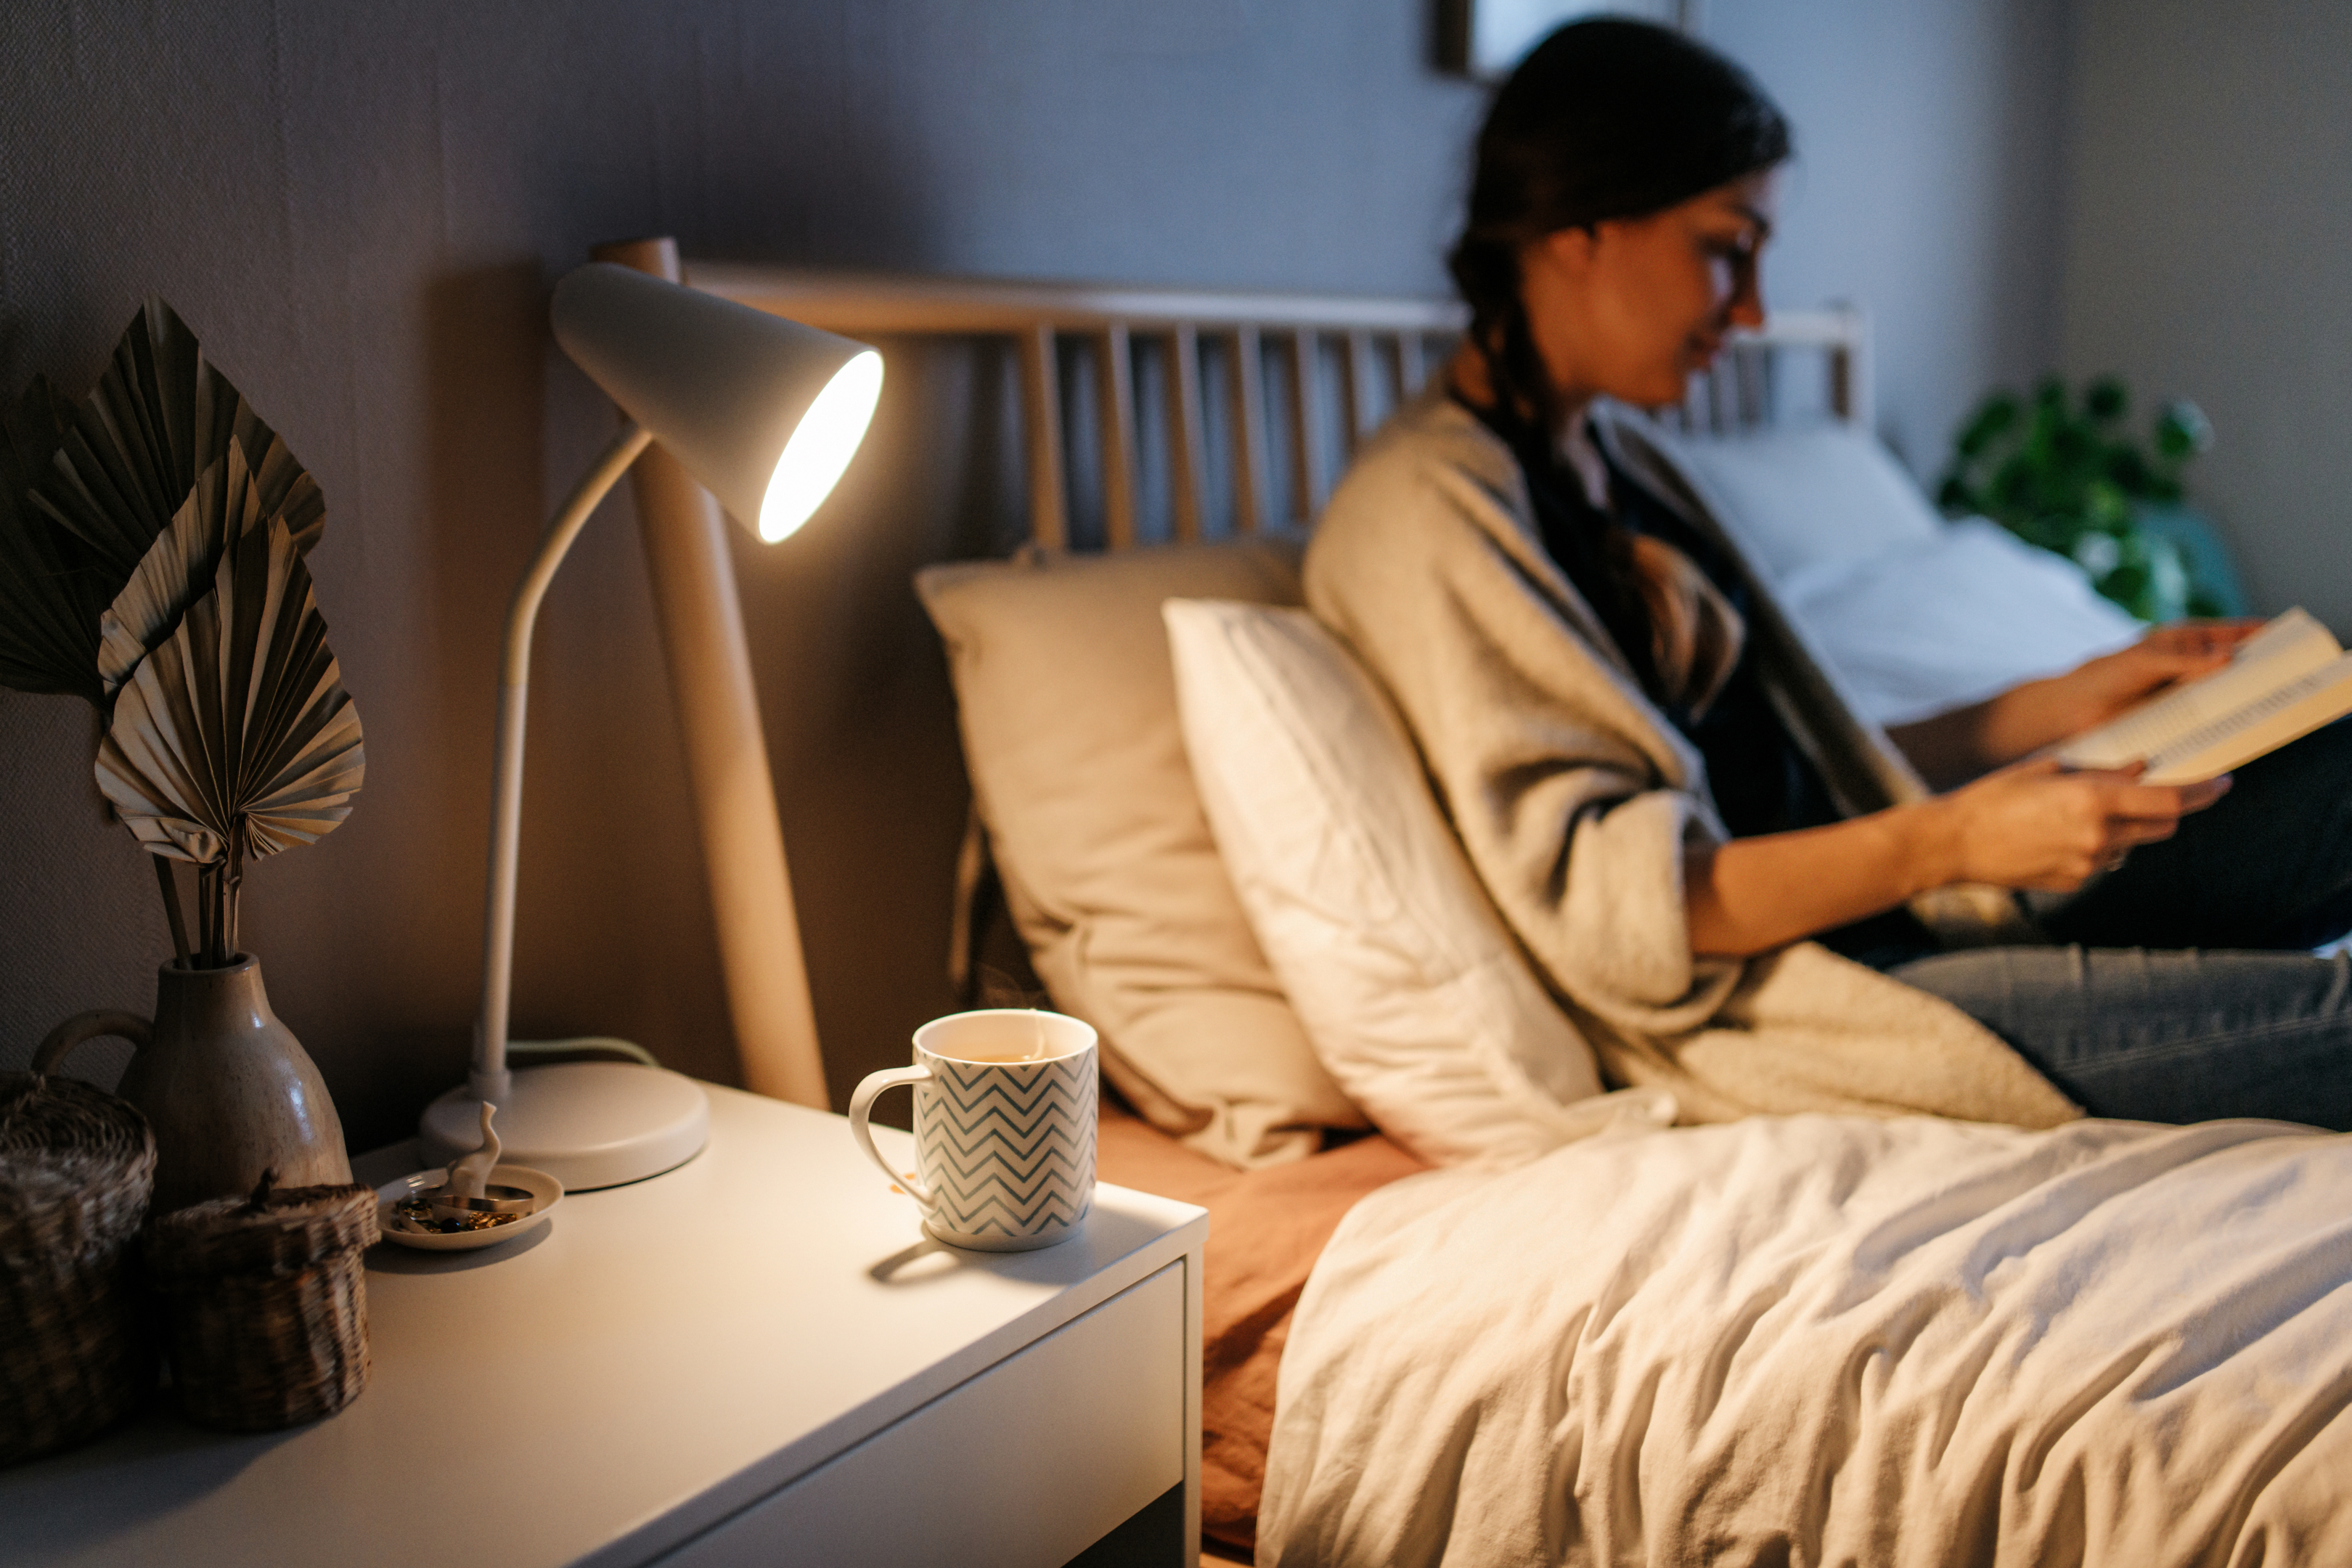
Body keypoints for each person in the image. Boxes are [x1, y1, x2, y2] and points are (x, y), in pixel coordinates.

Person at [1307, 17, 2352, 1130]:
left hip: (1910, 906)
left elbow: (1787, 775)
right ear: (1583, 225)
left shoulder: (1619, 460)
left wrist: (2070, 697)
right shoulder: (1426, 514)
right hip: (1792, 1001)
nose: (1752, 310)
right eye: (1726, 246)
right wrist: (1949, 838)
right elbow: (1624, 908)